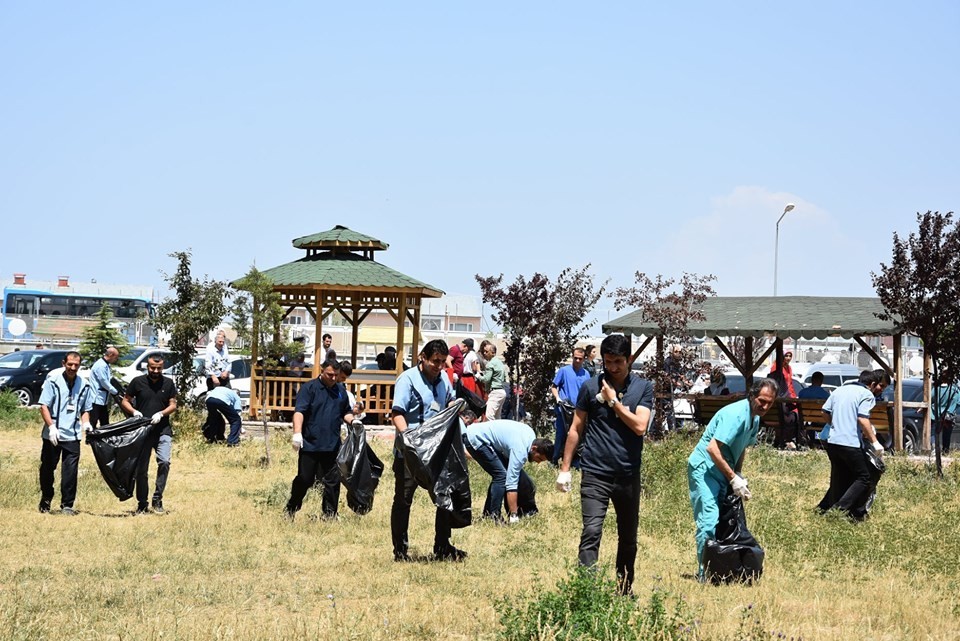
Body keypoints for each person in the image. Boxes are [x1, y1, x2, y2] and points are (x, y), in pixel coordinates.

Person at [556, 334, 654, 596]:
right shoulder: (589, 387)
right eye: (608, 362)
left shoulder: (643, 388)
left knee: (628, 537)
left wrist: (613, 401)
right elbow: (576, 428)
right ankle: (586, 593)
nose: (612, 368)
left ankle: (624, 590)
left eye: (618, 362)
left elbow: (639, 426)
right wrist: (565, 469)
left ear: (629, 360)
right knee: (591, 530)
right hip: (595, 472)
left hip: (627, 474)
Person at [687, 378, 778, 579]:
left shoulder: (754, 419)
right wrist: (732, 478)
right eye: (761, 400)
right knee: (709, 520)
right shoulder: (736, 414)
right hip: (706, 469)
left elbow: (741, 446)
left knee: (724, 520)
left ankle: (721, 569)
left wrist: (738, 473)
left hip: (723, 469)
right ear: (752, 396)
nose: (765, 406)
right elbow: (712, 449)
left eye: (770, 403)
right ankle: (704, 574)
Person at [391, 339, 465, 561]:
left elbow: (449, 402)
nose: (439, 366)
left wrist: (458, 407)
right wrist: (409, 441)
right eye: (435, 361)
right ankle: (400, 551)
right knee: (403, 500)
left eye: (443, 362)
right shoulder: (407, 379)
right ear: (422, 357)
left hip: (437, 451)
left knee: (445, 497)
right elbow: (397, 414)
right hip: (411, 453)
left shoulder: (443, 378)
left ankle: (442, 547)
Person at [285, 359, 355, 520]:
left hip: (332, 445)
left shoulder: (340, 391)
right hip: (310, 444)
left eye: (336, 375)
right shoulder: (309, 388)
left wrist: (354, 421)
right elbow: (299, 412)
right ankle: (291, 508)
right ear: (322, 371)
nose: (333, 378)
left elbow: (346, 412)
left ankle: (330, 514)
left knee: (333, 481)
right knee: (305, 479)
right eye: (330, 374)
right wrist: (297, 433)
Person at [817, 369, 890, 521]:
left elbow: (824, 411)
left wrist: (836, 424)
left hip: (833, 442)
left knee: (839, 477)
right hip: (850, 443)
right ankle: (838, 510)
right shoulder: (866, 394)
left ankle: (824, 508)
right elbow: (863, 419)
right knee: (865, 478)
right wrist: (875, 442)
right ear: (872, 384)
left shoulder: (839, 390)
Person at [461, 412, 552, 522]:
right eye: (540, 459)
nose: (538, 463)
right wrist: (513, 515)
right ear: (534, 448)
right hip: (476, 438)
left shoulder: (530, 436)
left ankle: (489, 513)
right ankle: (493, 516)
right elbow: (511, 485)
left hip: (483, 437)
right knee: (501, 476)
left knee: (508, 476)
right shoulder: (520, 451)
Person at [120, 354, 178, 514]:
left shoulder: (168, 383)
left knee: (164, 462)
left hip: (163, 430)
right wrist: (134, 412)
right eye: (153, 367)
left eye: (159, 368)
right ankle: (142, 503)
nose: (156, 370)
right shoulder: (137, 382)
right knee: (141, 469)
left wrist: (161, 414)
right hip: (143, 432)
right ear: (147, 366)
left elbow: (173, 405)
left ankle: (157, 499)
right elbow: (125, 400)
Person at [38, 351, 94, 515]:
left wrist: (86, 424)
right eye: (70, 364)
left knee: (70, 471)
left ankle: (67, 505)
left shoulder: (84, 384)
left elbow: (85, 409)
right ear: (64, 363)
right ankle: (46, 498)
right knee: (47, 468)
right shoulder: (53, 381)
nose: (73, 368)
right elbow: (44, 406)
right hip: (53, 435)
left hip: (72, 435)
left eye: (76, 365)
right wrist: (51, 427)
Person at [550, 347, 590, 464]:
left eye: (580, 359)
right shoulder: (564, 371)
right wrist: (557, 398)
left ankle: (574, 461)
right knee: (561, 434)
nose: (577, 361)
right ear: (572, 357)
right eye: (575, 358)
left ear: (584, 359)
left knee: (578, 435)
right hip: (564, 410)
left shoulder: (586, 374)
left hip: (578, 410)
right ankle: (555, 459)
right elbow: (554, 387)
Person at [89, 346, 121, 427]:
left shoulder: (105, 365)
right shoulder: (101, 366)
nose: (116, 359)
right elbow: (104, 382)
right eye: (116, 357)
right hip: (96, 399)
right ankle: (90, 439)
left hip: (102, 399)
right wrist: (115, 392)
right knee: (93, 422)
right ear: (110, 355)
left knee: (105, 422)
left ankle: (103, 438)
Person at [478, 343, 508, 421]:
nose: (484, 353)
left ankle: (491, 433)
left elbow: (486, 379)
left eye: (486, 351)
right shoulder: (500, 363)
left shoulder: (490, 364)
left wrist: (478, 376)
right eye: (484, 351)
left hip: (495, 392)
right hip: (502, 391)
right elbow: (504, 378)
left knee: (489, 416)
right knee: (497, 417)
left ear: (493, 353)